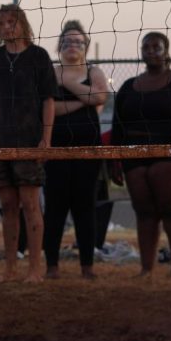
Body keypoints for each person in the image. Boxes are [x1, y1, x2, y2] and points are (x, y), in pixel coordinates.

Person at [0, 4, 56, 284]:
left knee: (31, 203)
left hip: (29, 140)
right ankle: (9, 268)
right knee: (7, 204)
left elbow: (48, 100)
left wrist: (46, 138)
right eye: (2, 23)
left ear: (22, 24)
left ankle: (34, 269)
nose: (7, 27)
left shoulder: (38, 57)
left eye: (12, 21)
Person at [111, 32, 171, 277]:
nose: (151, 51)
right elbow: (118, 126)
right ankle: (146, 269)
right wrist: (114, 159)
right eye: (146, 47)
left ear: (167, 51)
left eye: (156, 47)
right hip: (135, 155)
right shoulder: (129, 87)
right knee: (144, 211)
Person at [42, 21, 108, 280]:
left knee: (85, 206)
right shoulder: (50, 72)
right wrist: (83, 102)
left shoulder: (94, 71)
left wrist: (67, 85)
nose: (72, 46)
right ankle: (52, 266)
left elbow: (100, 97)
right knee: (56, 207)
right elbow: (47, 110)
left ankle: (87, 266)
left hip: (87, 150)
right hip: (56, 148)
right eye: (67, 41)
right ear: (60, 45)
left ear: (85, 47)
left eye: (78, 42)